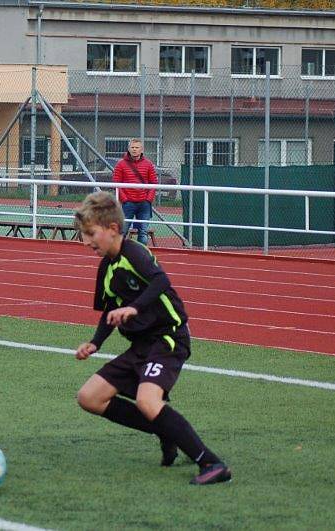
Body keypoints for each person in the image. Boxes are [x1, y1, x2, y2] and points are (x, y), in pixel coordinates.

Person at [73, 192, 231, 486]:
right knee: (89, 397)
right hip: (141, 346)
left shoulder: (134, 253)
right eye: (84, 235)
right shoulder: (106, 268)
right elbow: (109, 309)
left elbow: (161, 281)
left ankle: (212, 463)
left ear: (113, 229)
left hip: (168, 338)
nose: (86, 242)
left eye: (91, 234)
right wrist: (95, 343)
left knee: (148, 400)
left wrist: (133, 307)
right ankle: (164, 429)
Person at [111, 138, 157, 246]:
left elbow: (153, 183)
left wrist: (148, 199)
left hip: (144, 203)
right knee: (123, 230)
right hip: (128, 203)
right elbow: (116, 183)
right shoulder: (121, 164)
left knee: (143, 233)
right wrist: (125, 199)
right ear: (128, 149)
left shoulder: (148, 164)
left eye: (137, 147)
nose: (134, 150)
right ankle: (118, 253)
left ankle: (141, 254)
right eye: (132, 147)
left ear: (142, 150)